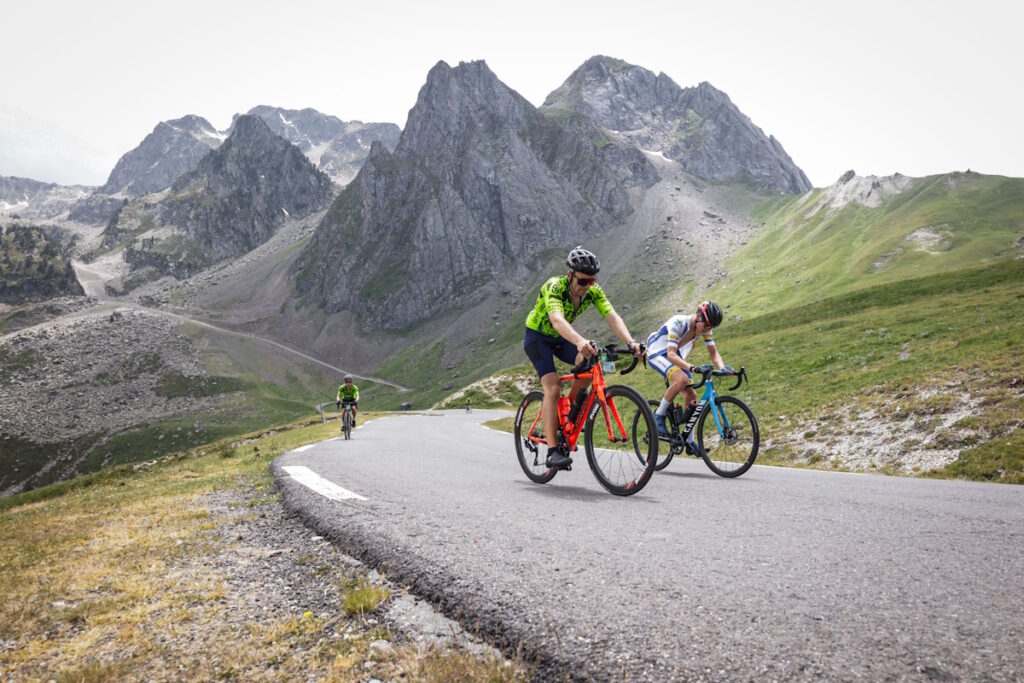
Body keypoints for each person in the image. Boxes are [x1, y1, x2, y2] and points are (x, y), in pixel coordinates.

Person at [523, 246, 643, 469]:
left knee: (588, 366)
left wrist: (631, 342)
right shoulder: (554, 286)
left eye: (592, 281)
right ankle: (551, 451)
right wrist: (579, 341)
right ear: (570, 275)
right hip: (537, 337)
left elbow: (612, 316)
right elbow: (557, 320)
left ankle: (567, 420)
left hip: (561, 338)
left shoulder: (592, 291)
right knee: (553, 387)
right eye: (583, 281)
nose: (588, 286)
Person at [646, 301, 734, 447]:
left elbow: (714, 353)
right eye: (706, 325)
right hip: (657, 350)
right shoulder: (678, 322)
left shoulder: (704, 328)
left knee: (691, 395)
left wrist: (723, 368)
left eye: (710, 327)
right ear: (698, 316)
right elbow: (671, 355)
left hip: (674, 353)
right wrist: (692, 368)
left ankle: (689, 441)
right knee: (682, 379)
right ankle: (658, 416)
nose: (707, 329)